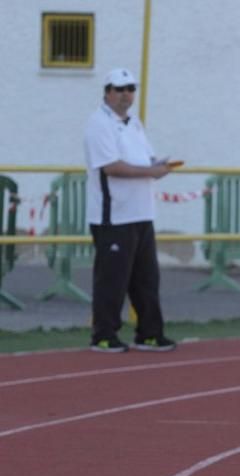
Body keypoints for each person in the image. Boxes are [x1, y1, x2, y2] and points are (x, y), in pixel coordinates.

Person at [85, 68, 177, 353]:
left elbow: (143, 157)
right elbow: (111, 166)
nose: (126, 94)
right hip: (114, 215)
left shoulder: (133, 122)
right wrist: (151, 170)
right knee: (112, 280)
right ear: (108, 91)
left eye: (130, 88)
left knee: (146, 278)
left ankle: (149, 333)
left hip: (141, 212)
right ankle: (103, 334)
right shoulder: (99, 124)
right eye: (120, 88)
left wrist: (159, 164)